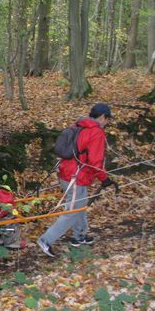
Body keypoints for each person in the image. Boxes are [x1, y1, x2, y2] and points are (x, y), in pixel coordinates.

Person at [37, 103, 114, 257]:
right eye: (107, 119)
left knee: (80, 204)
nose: (108, 122)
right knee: (72, 210)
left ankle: (80, 236)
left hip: (68, 173)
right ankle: (46, 240)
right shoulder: (95, 132)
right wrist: (104, 179)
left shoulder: (79, 124)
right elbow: (95, 161)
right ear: (101, 117)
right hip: (76, 176)